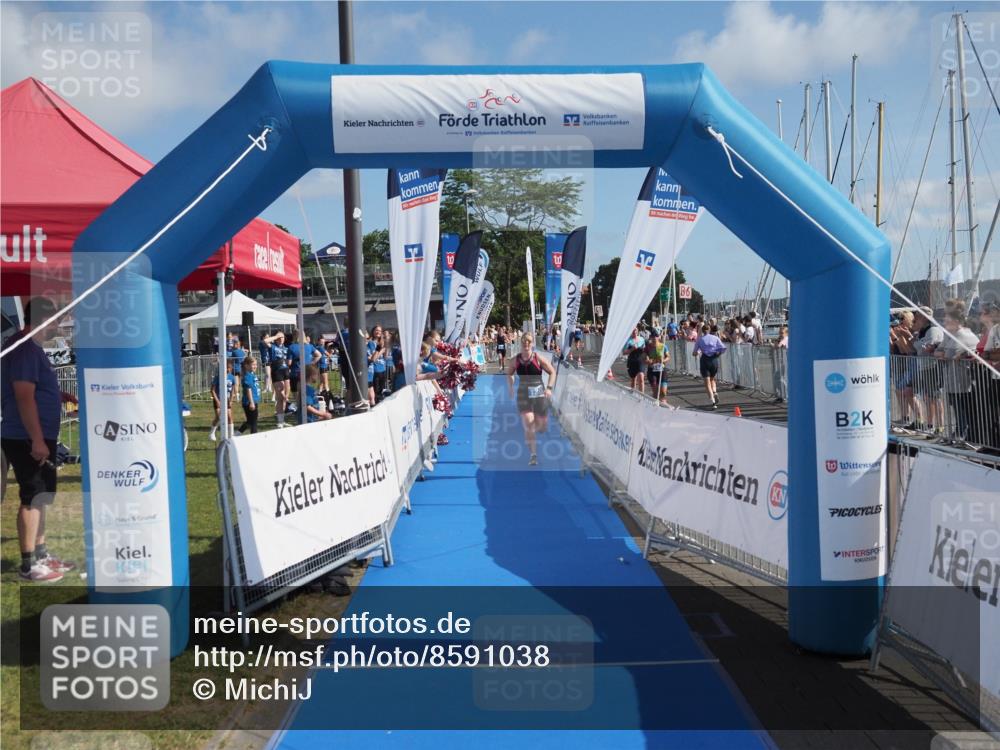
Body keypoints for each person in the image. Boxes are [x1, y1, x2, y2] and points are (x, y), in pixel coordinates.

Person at [1, 298, 78, 582]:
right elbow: (23, 396)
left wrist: (59, 395)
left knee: (41, 495)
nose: (59, 326)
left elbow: (32, 388)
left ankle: (42, 554)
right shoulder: (24, 349)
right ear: (45, 320)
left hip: (37, 436)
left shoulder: (30, 349)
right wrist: (36, 440)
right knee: (32, 496)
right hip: (25, 437)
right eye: (57, 320)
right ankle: (28, 564)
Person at [506, 333, 557, 466]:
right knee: (529, 423)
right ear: (521, 344)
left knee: (542, 427)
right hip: (523, 395)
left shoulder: (538, 358)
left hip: (539, 394)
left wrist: (549, 388)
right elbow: (509, 374)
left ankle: (541, 425)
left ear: (532, 344)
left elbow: (552, 372)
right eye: (524, 343)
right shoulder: (515, 360)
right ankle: (533, 455)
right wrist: (510, 386)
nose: (526, 345)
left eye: (528, 342)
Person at [693, 323, 727, 408]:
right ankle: (715, 392)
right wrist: (718, 354)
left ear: (702, 331)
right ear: (709, 330)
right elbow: (723, 348)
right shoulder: (715, 338)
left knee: (707, 382)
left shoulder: (700, 340)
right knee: (712, 379)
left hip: (705, 360)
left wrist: (697, 353)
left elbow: (694, 353)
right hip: (714, 360)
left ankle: (713, 401)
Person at [263, 331, 289, 427]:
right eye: (279, 337)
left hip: (286, 372)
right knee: (280, 397)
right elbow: (265, 341)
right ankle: (279, 421)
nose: (281, 338)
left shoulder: (286, 348)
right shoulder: (273, 346)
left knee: (286, 397)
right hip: (277, 371)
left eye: (283, 337)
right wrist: (275, 336)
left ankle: (282, 419)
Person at [209, 357, 237, 441]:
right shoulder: (218, 377)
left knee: (229, 416)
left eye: (229, 368)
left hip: (227, 399)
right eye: (226, 368)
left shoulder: (232, 377)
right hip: (218, 398)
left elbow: (233, 390)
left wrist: (231, 400)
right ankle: (212, 433)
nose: (228, 369)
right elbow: (212, 390)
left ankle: (231, 435)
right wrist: (217, 400)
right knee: (218, 416)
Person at [645, 330, 670, 406]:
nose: (654, 338)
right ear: (650, 338)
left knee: (663, 392)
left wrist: (663, 360)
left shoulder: (663, 346)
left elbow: (668, 357)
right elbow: (644, 358)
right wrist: (648, 361)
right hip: (652, 371)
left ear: (658, 337)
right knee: (656, 393)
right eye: (653, 336)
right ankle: (656, 406)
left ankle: (663, 403)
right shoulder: (648, 347)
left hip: (662, 370)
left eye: (656, 336)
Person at [238, 357, 260, 435]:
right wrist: (251, 402)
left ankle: (237, 434)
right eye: (253, 364)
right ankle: (254, 437)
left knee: (250, 421)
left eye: (256, 364)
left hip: (254, 401)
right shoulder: (247, 376)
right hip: (249, 402)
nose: (255, 366)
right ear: (246, 365)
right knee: (253, 422)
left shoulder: (252, 374)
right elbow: (248, 389)